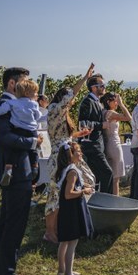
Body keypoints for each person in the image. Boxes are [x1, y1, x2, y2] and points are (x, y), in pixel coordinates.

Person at [0, 66, 37, 275]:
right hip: (15, 171)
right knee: (13, 226)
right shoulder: (4, 105)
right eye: (23, 82)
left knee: (8, 223)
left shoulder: (18, 106)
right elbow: (5, 137)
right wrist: (32, 142)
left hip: (21, 170)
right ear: (11, 84)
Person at [43, 64, 96, 244]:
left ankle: (69, 223)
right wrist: (85, 77)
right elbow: (72, 94)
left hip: (67, 153)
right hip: (60, 157)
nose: (72, 101)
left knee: (87, 180)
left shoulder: (61, 112)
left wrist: (79, 134)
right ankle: (50, 232)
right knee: (55, 194)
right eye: (70, 98)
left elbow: (62, 134)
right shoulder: (55, 109)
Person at [0, 78, 42, 186]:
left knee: (13, 149)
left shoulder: (12, 103)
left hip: (18, 129)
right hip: (32, 130)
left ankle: (8, 167)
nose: (37, 95)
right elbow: (38, 116)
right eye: (35, 92)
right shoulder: (34, 104)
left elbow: (0, 110)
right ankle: (34, 167)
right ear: (28, 93)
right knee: (34, 150)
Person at [55, 141, 94, 275]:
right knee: (72, 241)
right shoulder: (72, 172)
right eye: (78, 151)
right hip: (71, 210)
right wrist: (84, 191)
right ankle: (68, 274)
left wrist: (82, 185)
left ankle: (62, 270)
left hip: (66, 209)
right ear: (71, 155)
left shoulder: (67, 169)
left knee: (64, 241)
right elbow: (68, 194)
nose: (81, 153)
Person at [78, 74, 113, 194]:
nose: (104, 88)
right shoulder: (87, 102)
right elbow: (83, 123)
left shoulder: (97, 101)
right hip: (91, 145)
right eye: (102, 86)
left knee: (96, 175)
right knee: (107, 172)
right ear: (94, 88)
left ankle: (96, 201)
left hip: (97, 144)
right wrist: (100, 125)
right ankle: (106, 201)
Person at [100, 93, 132, 196]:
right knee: (116, 177)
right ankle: (116, 198)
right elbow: (128, 118)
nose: (117, 103)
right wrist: (122, 105)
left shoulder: (102, 112)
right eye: (115, 101)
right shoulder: (111, 113)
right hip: (114, 144)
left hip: (107, 143)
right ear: (108, 102)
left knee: (111, 174)